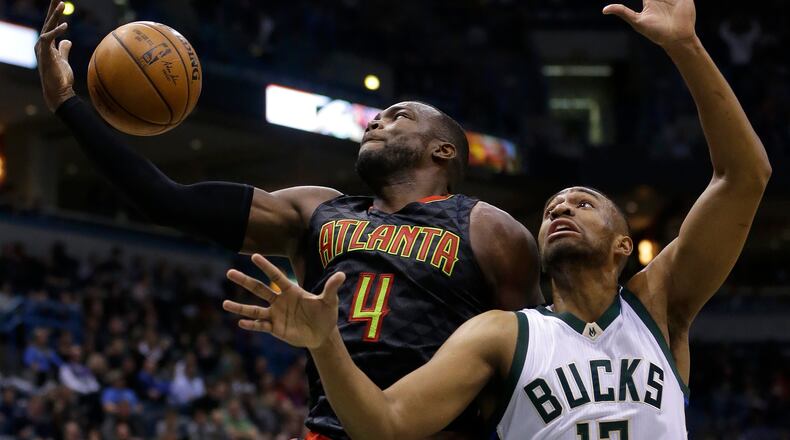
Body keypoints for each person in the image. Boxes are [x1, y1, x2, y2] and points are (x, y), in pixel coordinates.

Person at [222, 0, 772, 438]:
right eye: (553, 206)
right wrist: (326, 344)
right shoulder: (499, 334)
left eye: (583, 203)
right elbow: (383, 426)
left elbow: (743, 177)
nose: (561, 207)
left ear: (623, 246)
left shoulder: (658, 305)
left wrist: (686, 46)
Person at [35, 1, 543, 438]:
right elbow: (165, 200)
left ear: (443, 149)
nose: (377, 122)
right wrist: (66, 104)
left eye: (398, 116)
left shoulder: (488, 228)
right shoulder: (316, 209)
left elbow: (536, 363)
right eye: (378, 116)